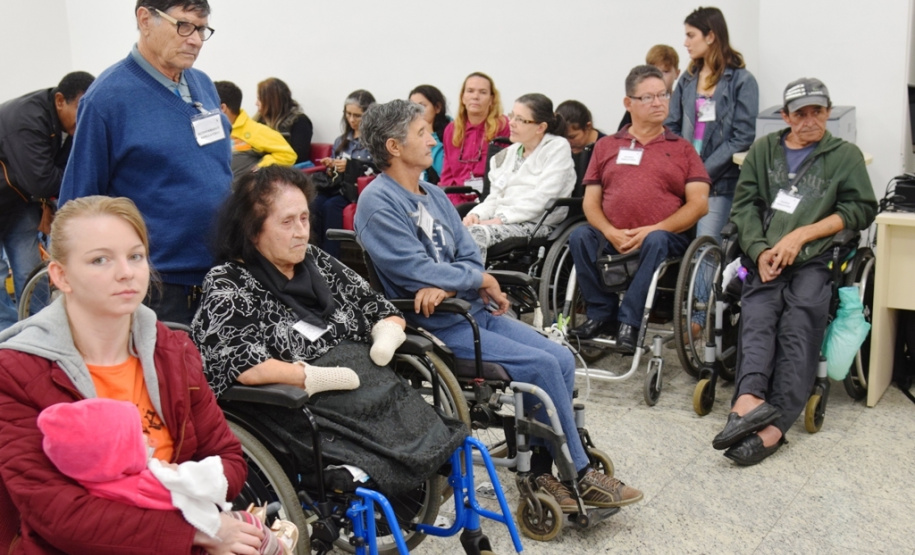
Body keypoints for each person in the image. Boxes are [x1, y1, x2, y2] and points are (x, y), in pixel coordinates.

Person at [355, 99, 643, 514]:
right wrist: (472, 281)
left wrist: (461, 283)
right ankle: (580, 474)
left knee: (560, 357)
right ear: (394, 146)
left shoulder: (433, 195)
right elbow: (412, 269)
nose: (433, 138)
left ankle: (544, 471)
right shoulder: (378, 203)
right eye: (422, 133)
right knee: (541, 367)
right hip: (437, 324)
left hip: (467, 307)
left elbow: (470, 254)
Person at [0, 196, 260, 554]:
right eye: (100, 260)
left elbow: (229, 457)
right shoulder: (17, 372)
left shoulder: (174, 351)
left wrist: (187, 499)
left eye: (135, 256)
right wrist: (194, 528)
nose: (126, 272)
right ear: (61, 276)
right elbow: (54, 513)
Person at [191, 165, 465, 495]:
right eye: (287, 222)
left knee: (436, 433)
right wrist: (310, 377)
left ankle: (416, 461)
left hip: (368, 384)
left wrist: (387, 337)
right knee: (395, 449)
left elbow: (380, 308)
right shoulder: (229, 283)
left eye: (304, 218)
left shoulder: (316, 260)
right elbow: (244, 366)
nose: (301, 232)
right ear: (253, 231)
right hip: (298, 404)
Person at [712, 78, 877, 465]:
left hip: (817, 258)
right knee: (758, 314)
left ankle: (775, 426)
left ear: (828, 112)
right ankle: (748, 400)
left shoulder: (844, 155)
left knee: (800, 320)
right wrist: (760, 249)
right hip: (766, 255)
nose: (809, 120)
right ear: (784, 117)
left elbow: (860, 209)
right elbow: (745, 207)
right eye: (800, 113)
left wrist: (803, 234)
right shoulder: (763, 150)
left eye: (817, 111)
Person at [59, 0, 232, 326]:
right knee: (166, 377)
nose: (194, 39)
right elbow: (78, 204)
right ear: (145, 19)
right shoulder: (106, 100)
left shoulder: (203, 85)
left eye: (201, 29)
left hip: (219, 275)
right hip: (156, 287)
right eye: (183, 25)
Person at [567, 65, 710, 351]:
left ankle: (630, 322)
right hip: (613, 236)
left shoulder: (682, 149)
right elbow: (590, 202)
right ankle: (600, 314)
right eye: (648, 97)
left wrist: (654, 229)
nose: (658, 103)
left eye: (663, 95)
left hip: (663, 238)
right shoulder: (606, 146)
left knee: (656, 240)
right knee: (579, 235)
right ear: (628, 103)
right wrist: (610, 230)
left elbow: (699, 204)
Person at [37, 398, 297, 555]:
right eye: (138, 434)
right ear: (117, 453)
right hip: (192, 537)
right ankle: (276, 545)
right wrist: (180, 473)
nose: (150, 438)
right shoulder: (147, 482)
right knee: (246, 525)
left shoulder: (97, 484)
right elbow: (199, 485)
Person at [0, 71, 95, 329]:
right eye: (81, 107)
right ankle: (8, 340)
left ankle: (40, 333)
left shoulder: (69, 127)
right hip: (15, 196)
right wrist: (77, 175)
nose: (86, 117)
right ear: (61, 100)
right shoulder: (27, 118)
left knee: (30, 273)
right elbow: (41, 181)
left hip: (19, 203)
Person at [665, 6, 758, 243]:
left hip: (719, 183)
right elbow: (671, 125)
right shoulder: (687, 79)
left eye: (691, 35)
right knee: (668, 243)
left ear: (711, 36)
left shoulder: (742, 81)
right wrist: (684, 168)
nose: (685, 42)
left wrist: (702, 173)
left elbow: (742, 136)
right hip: (683, 178)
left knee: (705, 250)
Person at [462, 93, 576, 263]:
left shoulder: (556, 148)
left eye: (520, 119)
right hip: (499, 221)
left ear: (540, 127)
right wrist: (476, 215)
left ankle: (471, 286)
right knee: (449, 232)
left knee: (474, 235)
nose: (512, 123)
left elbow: (543, 199)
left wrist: (500, 220)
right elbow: (494, 198)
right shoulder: (506, 155)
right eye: (512, 116)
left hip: (536, 223)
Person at [311, 89, 376, 258]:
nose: (352, 120)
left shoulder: (374, 141)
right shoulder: (342, 140)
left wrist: (350, 166)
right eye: (348, 114)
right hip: (337, 186)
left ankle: (330, 259)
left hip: (354, 191)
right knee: (315, 201)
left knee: (331, 206)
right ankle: (313, 254)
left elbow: (378, 168)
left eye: (357, 115)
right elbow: (333, 171)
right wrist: (331, 165)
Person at [437, 72, 510, 203]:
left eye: (482, 92)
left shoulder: (503, 126)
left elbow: (506, 173)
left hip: (492, 200)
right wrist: (454, 206)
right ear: (463, 97)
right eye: (470, 91)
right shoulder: (451, 129)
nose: (475, 97)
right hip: (457, 200)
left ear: (492, 99)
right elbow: (447, 178)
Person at [214, 80, 296, 179]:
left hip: (240, 190)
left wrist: (261, 167)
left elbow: (288, 155)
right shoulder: (208, 130)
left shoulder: (255, 130)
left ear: (222, 108)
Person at [618, 45, 681, 130]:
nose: (660, 76)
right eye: (655, 71)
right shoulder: (638, 102)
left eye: (666, 71)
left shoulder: (682, 103)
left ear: (677, 73)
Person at [255, 77, 313, 164]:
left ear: (271, 101)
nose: (256, 103)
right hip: (260, 168)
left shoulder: (299, 121)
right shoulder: (259, 121)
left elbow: (298, 157)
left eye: (260, 99)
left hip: (285, 172)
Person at [556, 99, 607, 183]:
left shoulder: (607, 149)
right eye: (563, 138)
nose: (567, 143)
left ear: (588, 126)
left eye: (572, 137)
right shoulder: (558, 148)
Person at [409, 84, 451, 184]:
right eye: (412, 107)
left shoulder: (452, 131)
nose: (416, 112)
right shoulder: (410, 134)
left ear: (437, 107)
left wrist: (430, 134)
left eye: (422, 106)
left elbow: (444, 170)